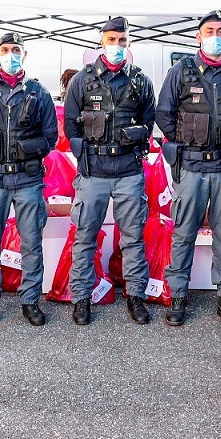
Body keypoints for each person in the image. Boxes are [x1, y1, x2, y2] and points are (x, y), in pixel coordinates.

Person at [156, 10, 221, 327]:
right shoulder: (181, 71)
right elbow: (164, 114)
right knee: (183, 233)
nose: (216, 35)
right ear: (198, 36)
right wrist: (187, 141)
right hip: (193, 167)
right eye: (210, 30)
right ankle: (178, 296)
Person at [64, 17, 156, 325]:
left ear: (128, 44)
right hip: (94, 172)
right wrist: (83, 159)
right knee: (85, 236)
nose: (117, 46)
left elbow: (149, 120)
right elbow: (71, 125)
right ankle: (80, 297)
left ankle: (136, 296)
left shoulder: (140, 81)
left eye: (122, 41)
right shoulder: (82, 80)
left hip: (129, 170)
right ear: (102, 42)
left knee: (132, 237)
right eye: (112, 40)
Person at [0, 33, 58, 329]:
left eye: (15, 49)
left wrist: (27, 151)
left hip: (28, 178)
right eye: (5, 50)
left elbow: (51, 136)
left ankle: (30, 301)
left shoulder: (38, 93)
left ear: (24, 54)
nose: (10, 54)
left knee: (31, 243)